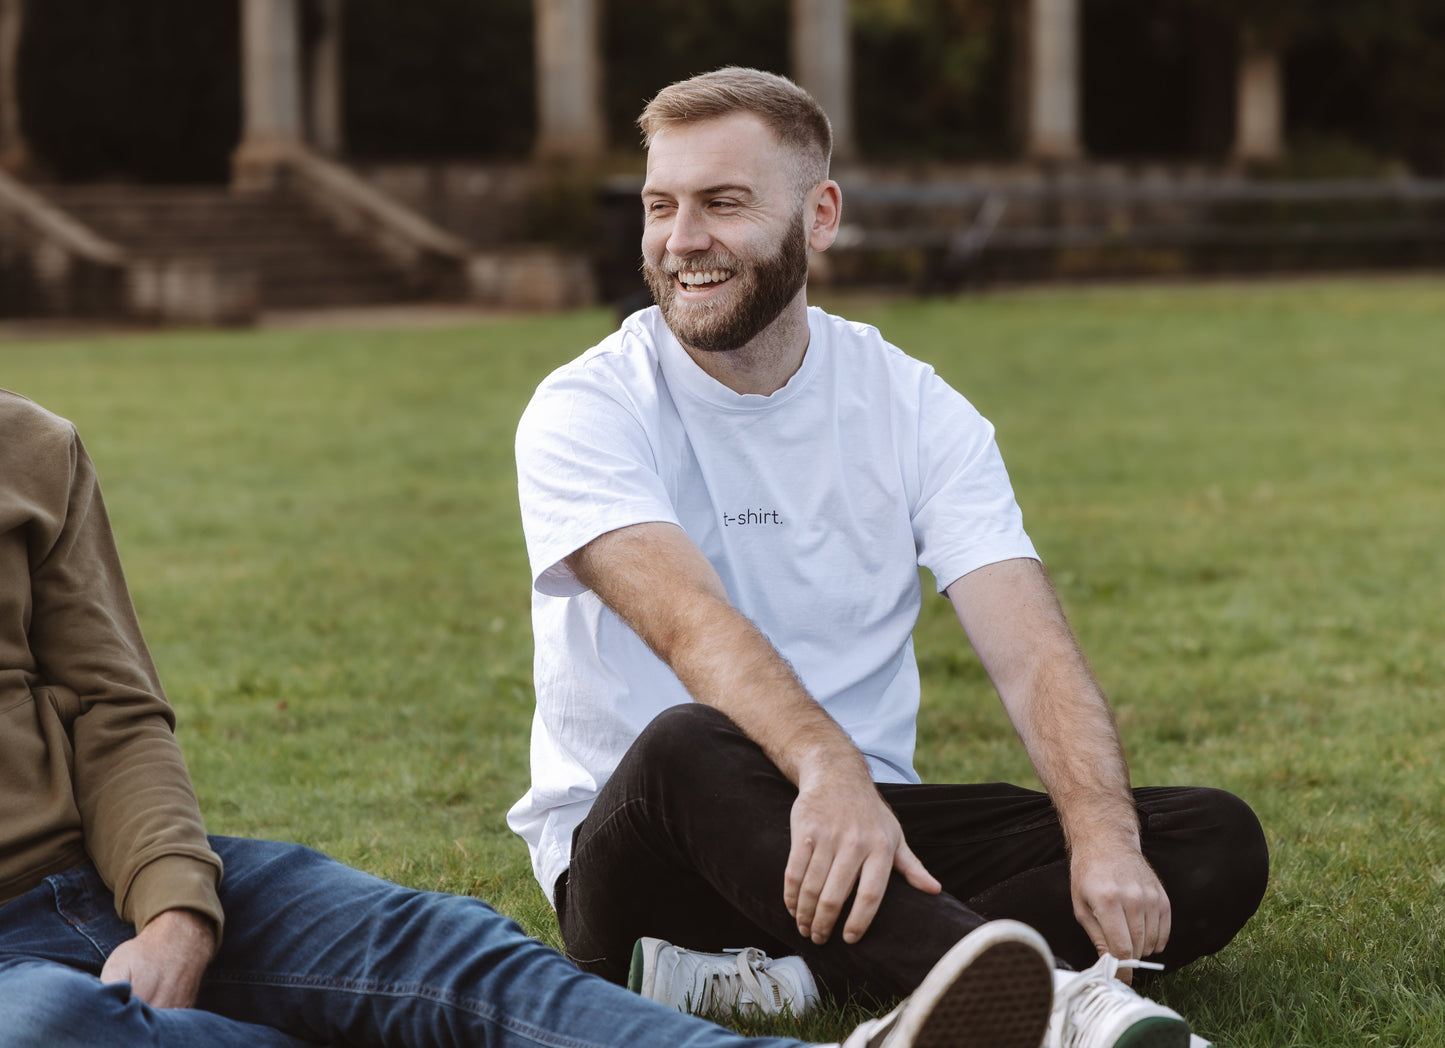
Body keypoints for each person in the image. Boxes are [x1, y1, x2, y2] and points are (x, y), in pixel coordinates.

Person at [510, 67, 1269, 1048]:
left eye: (721, 203)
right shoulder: (587, 407)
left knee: (1204, 836)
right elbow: (685, 623)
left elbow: (1028, 647)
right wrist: (824, 762)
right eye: (661, 205)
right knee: (686, 742)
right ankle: (1056, 1004)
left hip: (863, 831)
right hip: (655, 850)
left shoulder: (911, 405)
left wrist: (1103, 842)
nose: (680, 239)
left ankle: (801, 990)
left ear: (818, 216)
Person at [0, 386, 1060, 1048]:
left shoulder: (31, 448)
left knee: (449, 950)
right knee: (52, 1026)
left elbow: (112, 710)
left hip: (116, 868)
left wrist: (177, 907)